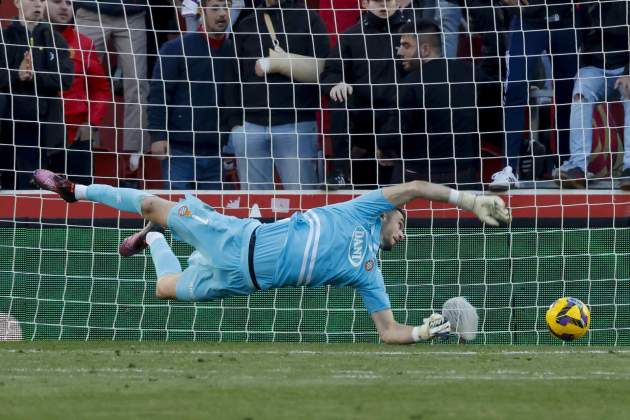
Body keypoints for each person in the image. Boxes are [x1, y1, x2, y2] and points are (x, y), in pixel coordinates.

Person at [32, 167, 510, 344]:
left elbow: (388, 332)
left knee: (164, 289)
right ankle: (77, 189)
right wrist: (469, 201)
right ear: (390, 214)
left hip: (243, 282)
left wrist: (426, 330)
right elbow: (415, 187)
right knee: (156, 203)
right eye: (403, 221)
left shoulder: (370, 274)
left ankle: (154, 240)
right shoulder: (364, 209)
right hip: (240, 241)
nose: (403, 232)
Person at [229, 0, 329, 190]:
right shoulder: (246, 23)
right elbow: (232, 76)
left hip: (296, 124)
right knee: (255, 205)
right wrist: (236, 123)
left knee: (302, 201)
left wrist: (280, 64)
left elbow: (325, 68)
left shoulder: (310, 19)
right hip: (250, 126)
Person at [147, 0, 240, 190]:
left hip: (217, 151)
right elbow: (159, 94)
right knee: (177, 214)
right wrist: (157, 135)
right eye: (215, 8)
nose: (222, 13)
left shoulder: (234, 52)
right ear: (201, 11)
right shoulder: (175, 49)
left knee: (211, 217)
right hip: (179, 150)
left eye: (226, 8)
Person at [379, 19, 481, 187]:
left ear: (425, 49)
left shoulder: (411, 83)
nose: (400, 52)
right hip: (464, 177)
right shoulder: (469, 72)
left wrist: (382, 147)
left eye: (406, 46)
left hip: (418, 180)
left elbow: (392, 134)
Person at [488, 0, 578, 192]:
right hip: (527, 20)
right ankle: (509, 167)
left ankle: (565, 164)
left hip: (565, 18)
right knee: (514, 90)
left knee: (568, 92)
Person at [320, 0, 410, 188]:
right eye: (378, 1)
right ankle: (340, 172)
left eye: (390, 0)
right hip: (363, 114)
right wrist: (336, 84)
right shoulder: (350, 36)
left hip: (400, 111)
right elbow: (331, 72)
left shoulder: (412, 33)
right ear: (364, 3)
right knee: (339, 96)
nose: (384, 5)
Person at [555, 0, 630, 190]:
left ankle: (629, 167)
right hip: (596, 69)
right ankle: (578, 166)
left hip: (625, 68)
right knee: (581, 89)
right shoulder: (584, 6)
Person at [0, 0, 74, 189]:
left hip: (45, 122)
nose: (37, 4)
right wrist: (16, 74)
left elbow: (65, 79)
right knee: (10, 180)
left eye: (41, 0)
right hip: (8, 120)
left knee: (36, 182)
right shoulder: (4, 36)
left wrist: (34, 75)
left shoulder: (55, 39)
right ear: (17, 3)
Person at [74, 0, 149, 179]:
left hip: (132, 12)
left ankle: (135, 153)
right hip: (90, 10)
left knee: (137, 82)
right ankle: (83, 140)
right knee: (79, 79)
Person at [45, 0, 112, 185]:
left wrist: (91, 122)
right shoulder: (25, 40)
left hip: (75, 136)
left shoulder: (84, 43)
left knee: (79, 198)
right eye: (57, 2)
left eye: (68, 2)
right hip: (38, 133)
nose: (65, 7)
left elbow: (101, 89)